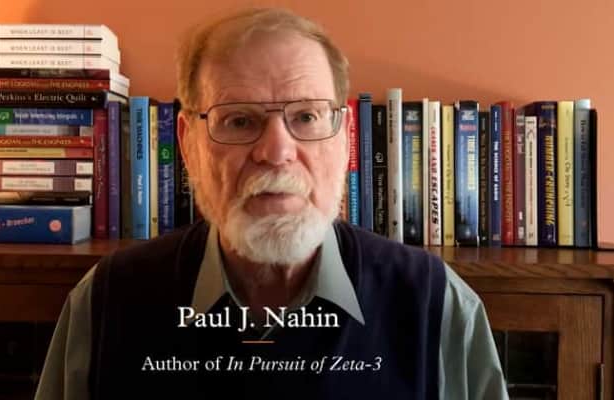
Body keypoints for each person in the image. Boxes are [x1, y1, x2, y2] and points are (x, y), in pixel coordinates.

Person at [35, 7, 507, 400]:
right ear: (188, 144)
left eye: (306, 116)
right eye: (239, 120)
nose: (277, 151)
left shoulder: (437, 306)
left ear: (345, 140)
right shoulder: (106, 303)